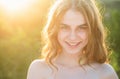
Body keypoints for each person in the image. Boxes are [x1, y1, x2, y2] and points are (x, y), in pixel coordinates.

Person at [27, 0, 119, 79]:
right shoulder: (38, 70)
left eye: (81, 27)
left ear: (93, 30)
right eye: (64, 27)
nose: (72, 37)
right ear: (54, 29)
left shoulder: (105, 73)